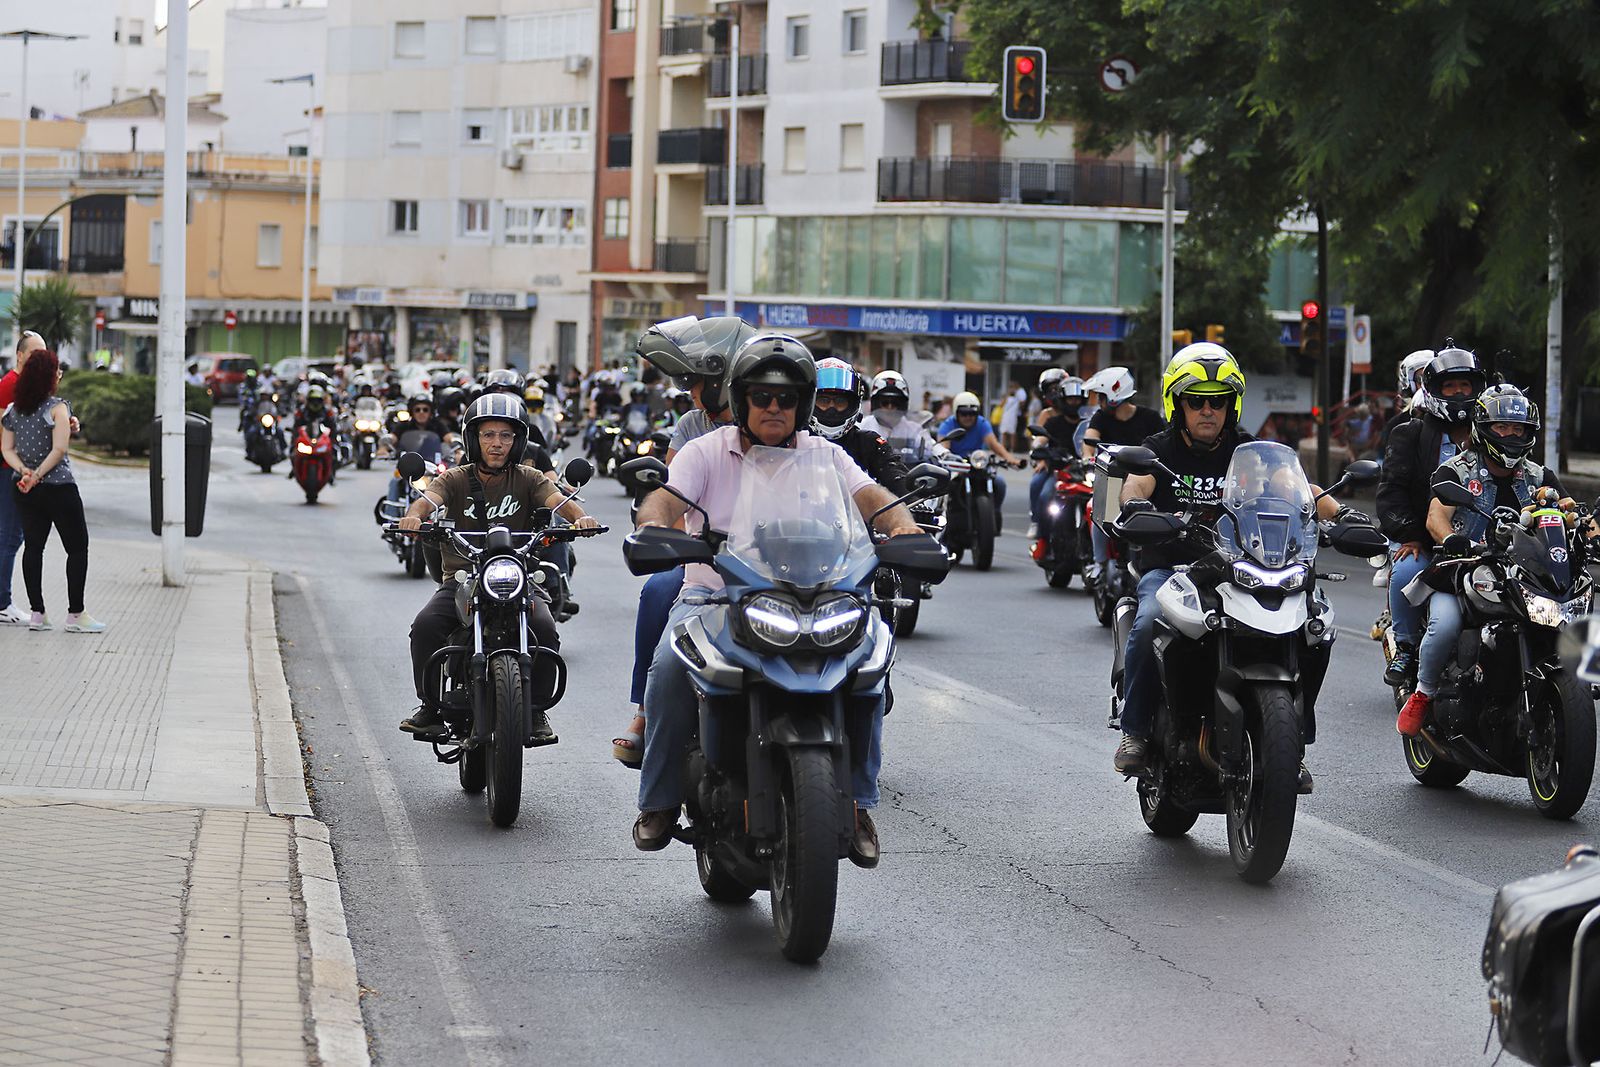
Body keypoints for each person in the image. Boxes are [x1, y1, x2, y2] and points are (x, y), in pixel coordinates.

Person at [631, 333, 921, 863]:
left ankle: (855, 802)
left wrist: (904, 531)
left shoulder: (825, 456)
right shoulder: (704, 451)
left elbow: (873, 499)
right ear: (741, 399)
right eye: (762, 396)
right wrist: (654, 526)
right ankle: (660, 801)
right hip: (715, 597)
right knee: (669, 668)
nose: (774, 407)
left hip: (815, 596)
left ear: (802, 405)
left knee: (870, 668)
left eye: (786, 398)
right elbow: (665, 499)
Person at [1114, 343, 1363, 785]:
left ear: (1232, 405)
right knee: (1149, 619)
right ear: (1178, 403)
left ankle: (1292, 743)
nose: (1208, 411)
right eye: (1197, 401)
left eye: (1219, 401)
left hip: (1240, 565)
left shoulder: (1248, 450)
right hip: (1176, 570)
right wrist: (1136, 507)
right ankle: (1134, 731)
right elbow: (1136, 485)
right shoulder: (1161, 447)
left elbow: (1298, 484)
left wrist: (1341, 515)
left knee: (1315, 628)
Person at [396, 393, 602, 739]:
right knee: (426, 626)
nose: (496, 443)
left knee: (546, 629)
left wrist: (583, 518)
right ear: (473, 439)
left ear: (517, 440)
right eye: (488, 435)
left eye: (505, 435)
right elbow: (426, 501)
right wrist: (412, 518)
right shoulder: (455, 478)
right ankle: (430, 707)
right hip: (464, 577)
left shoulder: (528, 478)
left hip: (518, 575)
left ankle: (535, 712)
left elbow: (559, 501)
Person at [612, 315, 755, 768]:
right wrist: (669, 536)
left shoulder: (792, 433)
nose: (689, 391)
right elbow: (668, 496)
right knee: (656, 591)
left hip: (775, 562)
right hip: (704, 554)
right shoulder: (692, 427)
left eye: (696, 382)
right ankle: (644, 711)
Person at [1397, 384, 1569, 736]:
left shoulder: (1539, 477)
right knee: (1444, 624)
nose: (1510, 434)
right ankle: (1423, 693)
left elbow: (1566, 511)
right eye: (1502, 426)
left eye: (1517, 428)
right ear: (1484, 428)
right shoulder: (1457, 470)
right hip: (1464, 569)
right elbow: (1436, 516)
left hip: (1523, 572)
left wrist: (1579, 522)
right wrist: (1451, 539)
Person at [1375, 346, 1484, 686]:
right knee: (1406, 569)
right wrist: (1411, 536)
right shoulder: (1409, 433)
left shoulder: (1494, 434)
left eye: (1465, 386)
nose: (1458, 393)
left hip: (1486, 543)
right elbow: (1391, 492)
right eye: (1450, 387)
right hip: (1427, 542)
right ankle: (1406, 647)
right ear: (1434, 390)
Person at [1, 349, 105, 633]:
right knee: (77, 547)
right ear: (48, 376)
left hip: (24, 489)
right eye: (57, 371)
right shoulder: (57, 408)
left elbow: (6, 449)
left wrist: (25, 472)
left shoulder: (13, 410)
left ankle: (37, 614)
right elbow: (59, 450)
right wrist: (38, 475)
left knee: (34, 547)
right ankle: (75, 615)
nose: (59, 375)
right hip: (59, 487)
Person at [1080, 366, 1166, 581]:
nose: (1099, 402)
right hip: (1110, 480)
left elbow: (1164, 445)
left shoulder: (1151, 418)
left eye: (1101, 396)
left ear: (1113, 395)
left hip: (1145, 482)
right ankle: (1099, 563)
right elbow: (1089, 440)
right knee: (1095, 507)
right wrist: (1087, 457)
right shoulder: (1100, 418)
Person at [0, 330, 48, 625]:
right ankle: (3, 602)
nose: (39, 360)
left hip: (15, 469)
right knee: (10, 536)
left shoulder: (23, 387)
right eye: (34, 354)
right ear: (20, 356)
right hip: (9, 471)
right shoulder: (10, 386)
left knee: (11, 536)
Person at [810, 358, 911, 494]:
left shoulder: (869, 443)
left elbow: (894, 472)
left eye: (840, 401)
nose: (831, 408)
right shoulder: (795, 439)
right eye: (823, 400)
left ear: (854, 403)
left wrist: (914, 501)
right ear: (810, 401)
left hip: (859, 514)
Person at [936, 391, 1024, 520]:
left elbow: (994, 444)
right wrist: (949, 460)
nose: (968, 417)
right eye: (964, 413)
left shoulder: (982, 424)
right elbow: (943, 449)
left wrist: (1011, 459)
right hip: (955, 468)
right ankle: (944, 516)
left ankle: (994, 513)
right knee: (944, 488)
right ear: (956, 413)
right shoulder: (947, 425)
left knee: (999, 484)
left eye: (972, 414)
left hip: (976, 464)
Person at [1026, 369, 1089, 540]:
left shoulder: (1089, 420)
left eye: (1077, 399)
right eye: (1070, 398)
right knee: (1042, 489)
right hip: (1059, 467)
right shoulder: (1049, 418)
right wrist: (1041, 455)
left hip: (1086, 468)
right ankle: (1039, 526)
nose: (1073, 402)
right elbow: (1039, 439)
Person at [999, 378, 1026, 451]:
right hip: (1006, 417)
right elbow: (1001, 405)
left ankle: (1012, 448)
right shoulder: (1006, 398)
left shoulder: (1017, 398)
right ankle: (1004, 448)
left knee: (1012, 433)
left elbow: (1022, 404)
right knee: (1004, 433)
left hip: (1012, 417)